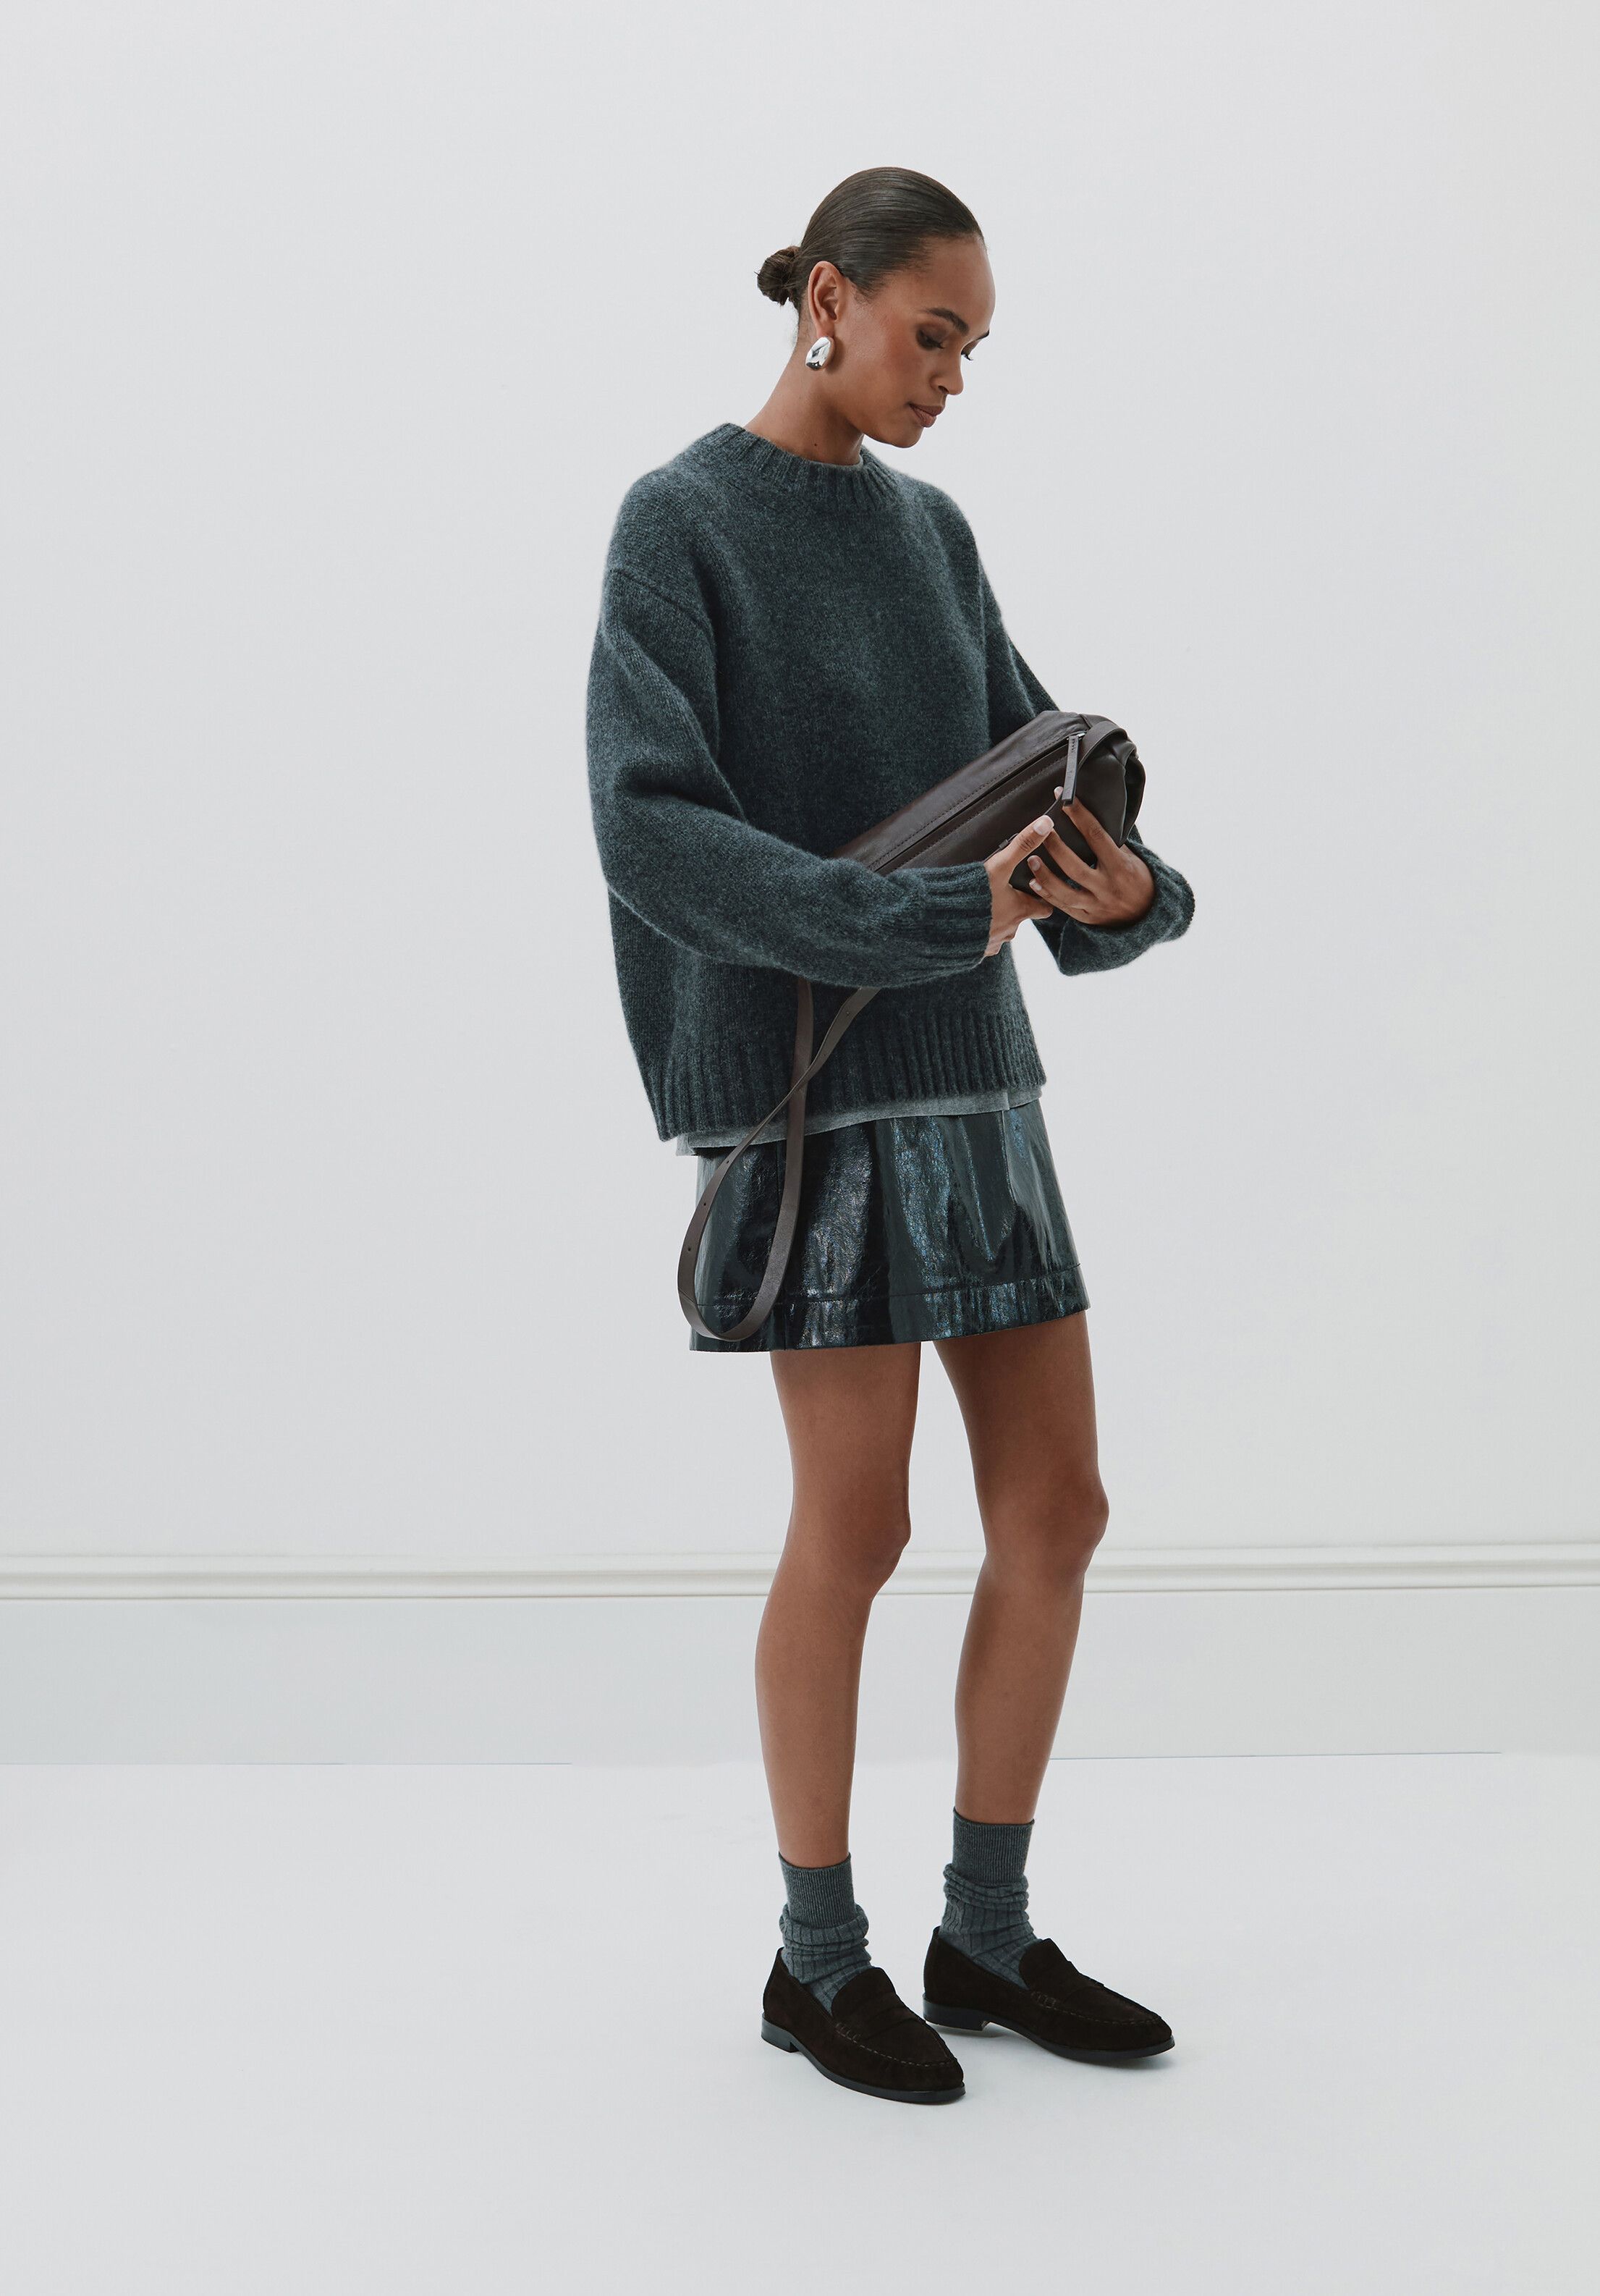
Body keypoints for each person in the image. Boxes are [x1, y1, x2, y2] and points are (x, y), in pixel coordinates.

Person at [586, 167, 1195, 2106]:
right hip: (810, 1088)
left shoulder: (932, 535)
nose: (949, 378)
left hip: (976, 1078)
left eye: (972, 349)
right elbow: (653, 830)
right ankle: (817, 1957)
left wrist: (1127, 894)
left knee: (1059, 1512)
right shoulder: (679, 521)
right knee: (856, 1526)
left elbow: (1030, 766)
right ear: (827, 300)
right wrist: (925, 918)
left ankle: (983, 1936)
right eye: (932, 335)